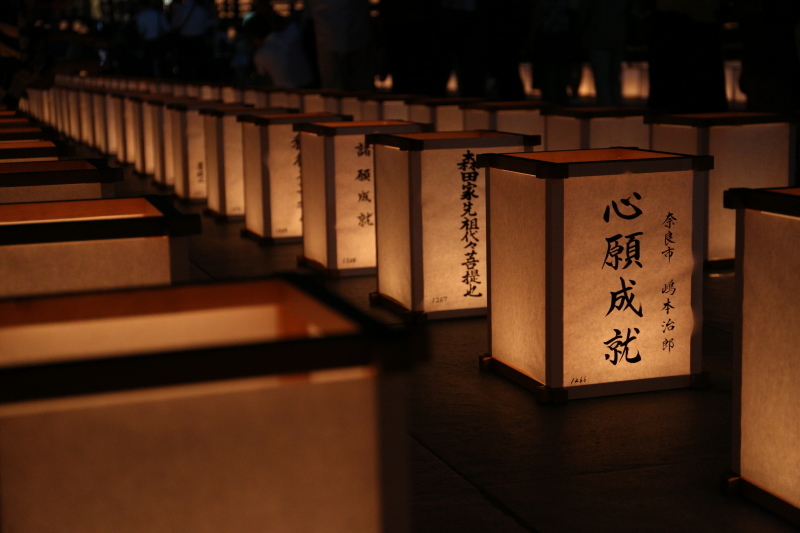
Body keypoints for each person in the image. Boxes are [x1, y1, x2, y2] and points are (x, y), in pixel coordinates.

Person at [246, 12, 314, 88]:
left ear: (253, 37)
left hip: (288, 93)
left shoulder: (262, 54)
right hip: (312, 85)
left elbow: (263, 77)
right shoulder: (291, 34)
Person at [170, 0, 215, 80]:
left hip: (184, 41)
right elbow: (208, 24)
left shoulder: (180, 9)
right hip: (199, 40)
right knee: (199, 66)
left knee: (185, 67)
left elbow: (174, 25)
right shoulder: (201, 10)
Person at [136, 0, 169, 77]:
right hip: (159, 41)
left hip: (148, 42)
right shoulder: (159, 14)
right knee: (161, 63)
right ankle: (163, 79)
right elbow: (167, 29)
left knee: (148, 65)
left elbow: (141, 32)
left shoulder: (141, 16)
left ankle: (150, 81)